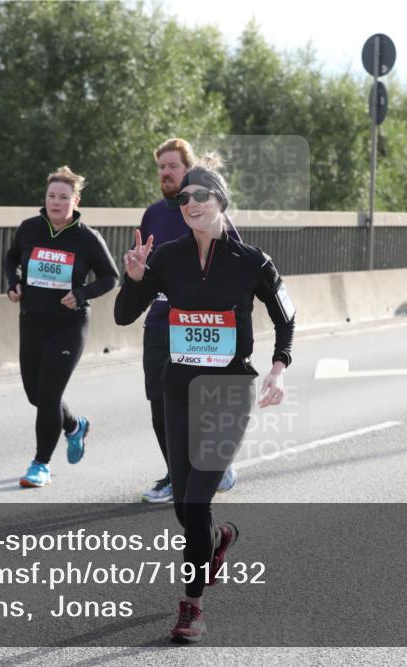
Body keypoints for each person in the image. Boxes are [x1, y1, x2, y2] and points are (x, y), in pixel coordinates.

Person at [114, 155, 295, 642]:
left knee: (195, 501)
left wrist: (279, 369)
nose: (189, 202)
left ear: (220, 202)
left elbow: (286, 318)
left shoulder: (251, 261)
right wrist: (133, 278)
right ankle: (216, 540)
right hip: (179, 389)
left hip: (230, 390)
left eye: (200, 195)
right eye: (184, 197)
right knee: (186, 505)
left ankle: (191, 606)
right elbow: (124, 316)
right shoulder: (167, 257)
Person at [3, 166, 119, 487]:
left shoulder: (87, 238)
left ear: (76, 201)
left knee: (50, 394)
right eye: (52, 196)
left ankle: (40, 464)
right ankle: (74, 426)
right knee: (36, 395)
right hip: (32, 322)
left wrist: (81, 294)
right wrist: (13, 283)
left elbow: (111, 277)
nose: (56, 202)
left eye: (63, 197)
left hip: (69, 325)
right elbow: (11, 259)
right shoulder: (29, 229)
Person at [139, 138, 239, 504]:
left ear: (189, 169)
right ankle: (175, 475)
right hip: (160, 324)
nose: (166, 172)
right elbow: (146, 266)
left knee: (197, 404)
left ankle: (209, 465)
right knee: (159, 405)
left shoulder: (208, 211)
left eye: (173, 166)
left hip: (200, 328)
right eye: (161, 167)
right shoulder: (152, 214)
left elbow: (236, 261)